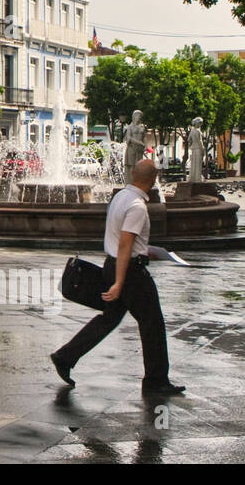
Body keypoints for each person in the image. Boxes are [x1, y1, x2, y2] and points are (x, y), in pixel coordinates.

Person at [50, 159, 186, 397]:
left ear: (134, 175)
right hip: (130, 273)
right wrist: (120, 283)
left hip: (112, 264)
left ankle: (65, 356)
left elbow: (123, 242)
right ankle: (155, 381)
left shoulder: (121, 197)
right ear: (153, 180)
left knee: (109, 318)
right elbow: (125, 245)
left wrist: (142, 253)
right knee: (152, 323)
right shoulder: (137, 206)